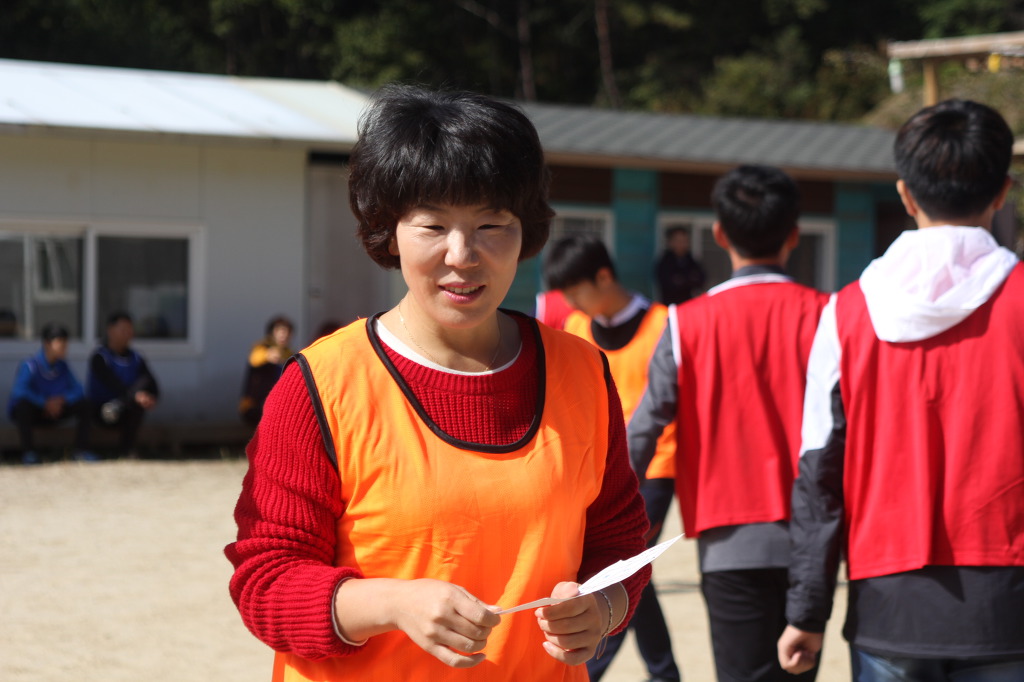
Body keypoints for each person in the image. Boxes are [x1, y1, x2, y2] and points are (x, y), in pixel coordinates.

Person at [225, 84, 651, 682]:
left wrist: (603, 607)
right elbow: (266, 582)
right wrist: (391, 604)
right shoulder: (321, 385)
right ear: (388, 230)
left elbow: (620, 540)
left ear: (525, 230)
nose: (462, 254)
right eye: (432, 225)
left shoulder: (581, 371)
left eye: (491, 224)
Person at [778, 100, 1024, 681]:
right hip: (1009, 606)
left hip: (886, 604)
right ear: (1002, 193)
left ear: (906, 195)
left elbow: (818, 473)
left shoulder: (844, 314)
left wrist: (807, 612)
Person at [630, 165, 828, 682]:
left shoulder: (685, 322)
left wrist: (603, 504)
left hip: (726, 536)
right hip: (811, 534)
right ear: (793, 235)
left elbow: (644, 428)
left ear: (719, 234)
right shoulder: (828, 315)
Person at [543, 235, 682, 682]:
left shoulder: (663, 324)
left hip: (653, 468)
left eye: (575, 291)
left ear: (604, 277)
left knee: (620, 569)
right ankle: (664, 672)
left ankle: (596, 668)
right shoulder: (576, 328)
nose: (570, 303)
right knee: (632, 572)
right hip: (592, 471)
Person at [7, 322, 97, 464]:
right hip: (37, 412)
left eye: (66, 343)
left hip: (56, 411)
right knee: (22, 406)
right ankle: (29, 453)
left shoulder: (62, 366)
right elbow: (19, 390)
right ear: (47, 344)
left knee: (85, 404)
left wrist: (62, 400)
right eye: (60, 343)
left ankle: (81, 451)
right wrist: (44, 403)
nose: (64, 347)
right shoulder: (30, 365)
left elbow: (78, 389)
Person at [86, 312, 159, 459]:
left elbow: (152, 384)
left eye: (130, 330)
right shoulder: (100, 357)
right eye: (123, 330)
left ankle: (127, 451)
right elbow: (114, 385)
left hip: (127, 407)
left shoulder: (137, 358)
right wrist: (135, 395)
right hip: (101, 411)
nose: (128, 334)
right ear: (110, 331)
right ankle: (83, 450)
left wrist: (149, 397)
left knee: (141, 389)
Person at [238, 315, 295, 426]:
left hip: (277, 406)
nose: (283, 335)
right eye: (279, 331)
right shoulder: (261, 348)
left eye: (287, 331)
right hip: (255, 406)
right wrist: (267, 355)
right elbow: (254, 359)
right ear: (271, 333)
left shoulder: (289, 353)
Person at [656, 226, 705, 304]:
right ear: (670, 242)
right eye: (678, 240)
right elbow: (670, 284)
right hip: (670, 305)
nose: (681, 244)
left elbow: (701, 279)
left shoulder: (691, 261)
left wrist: (684, 280)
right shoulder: (665, 262)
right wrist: (687, 280)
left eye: (684, 241)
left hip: (689, 304)